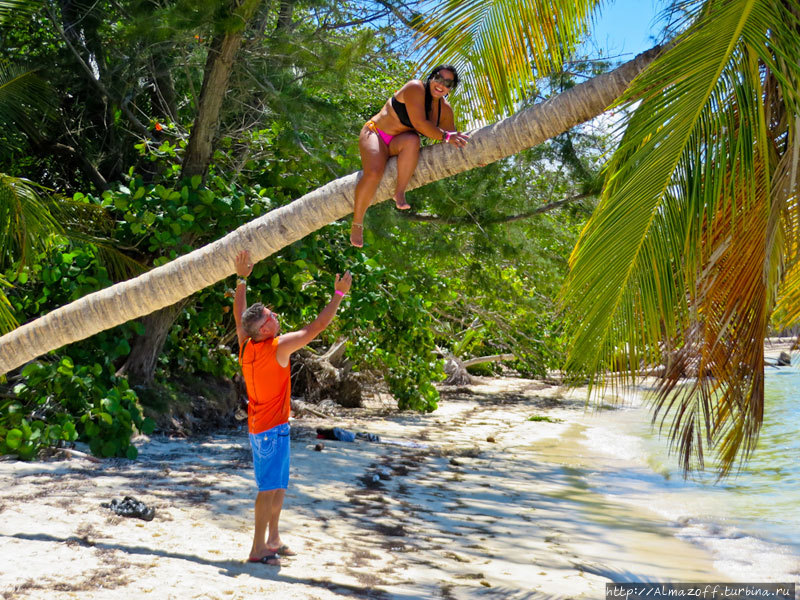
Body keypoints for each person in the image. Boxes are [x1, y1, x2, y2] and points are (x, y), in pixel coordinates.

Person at [233, 249, 352, 565]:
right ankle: (257, 549)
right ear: (265, 331)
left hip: (274, 426)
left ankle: (273, 538)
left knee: (279, 486)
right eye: (270, 318)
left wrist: (241, 278)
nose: (274, 316)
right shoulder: (277, 347)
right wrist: (339, 294)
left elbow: (239, 313)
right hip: (267, 430)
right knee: (268, 488)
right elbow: (314, 329)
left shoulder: (246, 344)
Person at [350, 64, 471, 247]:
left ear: (450, 89)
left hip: (399, 144)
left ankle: (399, 192)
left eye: (447, 83)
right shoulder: (415, 88)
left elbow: (455, 140)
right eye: (438, 78)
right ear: (431, 78)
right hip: (376, 134)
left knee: (413, 140)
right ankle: (357, 223)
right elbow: (421, 124)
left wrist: (476, 157)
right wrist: (446, 136)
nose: (441, 85)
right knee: (374, 173)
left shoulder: (444, 110)